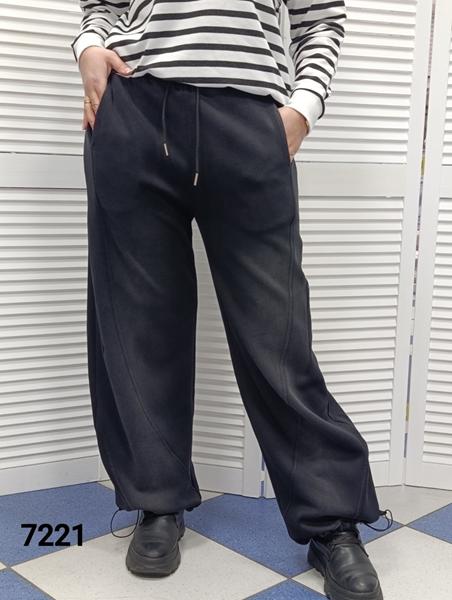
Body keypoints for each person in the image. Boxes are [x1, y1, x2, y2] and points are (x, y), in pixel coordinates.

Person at [71, 1, 392, 598]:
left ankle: (330, 519)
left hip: (249, 118)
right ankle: (157, 501)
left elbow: (321, 19)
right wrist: (89, 48)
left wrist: (302, 110)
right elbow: (103, 5)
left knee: (278, 335)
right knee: (139, 324)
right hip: (134, 109)